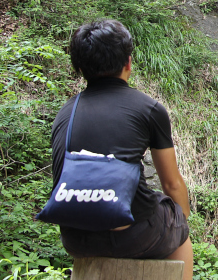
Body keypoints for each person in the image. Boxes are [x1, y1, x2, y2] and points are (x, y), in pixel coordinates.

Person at [49, 19, 193, 280]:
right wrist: (182, 221)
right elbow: (172, 184)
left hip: (75, 237)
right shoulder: (148, 109)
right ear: (128, 63)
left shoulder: (65, 113)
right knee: (178, 226)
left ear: (79, 68)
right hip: (134, 234)